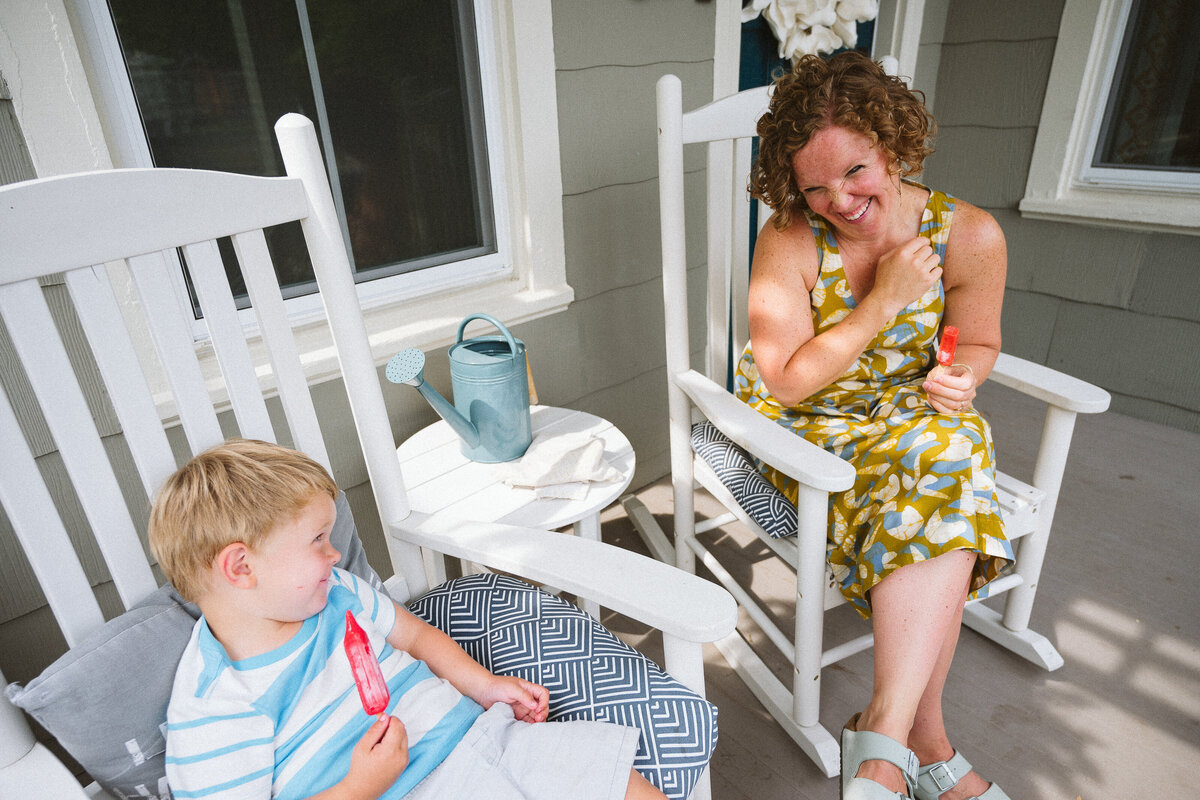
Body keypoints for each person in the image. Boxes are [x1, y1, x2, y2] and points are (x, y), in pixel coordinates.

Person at [733, 52, 1013, 800]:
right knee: (954, 478)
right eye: (813, 185)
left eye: (855, 171)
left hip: (905, 412)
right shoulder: (790, 239)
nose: (838, 200)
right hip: (805, 424)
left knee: (956, 443)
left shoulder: (969, 236)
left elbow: (979, 341)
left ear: (891, 145)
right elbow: (786, 380)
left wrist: (966, 375)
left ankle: (886, 743)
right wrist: (883, 302)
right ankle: (921, 743)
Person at [149, 438, 665, 800]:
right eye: (317, 541)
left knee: (611, 779)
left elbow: (414, 635)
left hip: (484, 739)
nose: (335, 554)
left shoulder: (336, 594)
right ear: (241, 567)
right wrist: (357, 788)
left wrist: (483, 686)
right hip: (399, 792)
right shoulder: (217, 704)